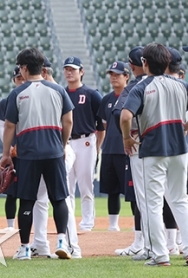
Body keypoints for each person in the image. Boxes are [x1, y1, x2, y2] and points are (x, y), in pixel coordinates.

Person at [0, 48, 74, 260]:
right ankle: (61, 241)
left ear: (23, 68)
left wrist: (6, 154)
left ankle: (24, 248)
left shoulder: (17, 93)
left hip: (28, 153)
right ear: (42, 67)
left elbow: (9, 126)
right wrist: (62, 144)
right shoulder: (58, 90)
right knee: (59, 198)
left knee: (27, 200)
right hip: (53, 151)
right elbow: (68, 120)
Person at [120, 43, 188, 266]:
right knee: (180, 200)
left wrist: (127, 138)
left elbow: (125, 116)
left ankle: (160, 255)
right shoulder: (181, 85)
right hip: (180, 150)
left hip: (153, 150)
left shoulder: (141, 87)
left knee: (153, 204)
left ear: (144, 63)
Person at [29, 58, 81, 259]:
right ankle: (40, 245)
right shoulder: (45, 91)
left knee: (61, 197)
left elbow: (68, 122)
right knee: (40, 200)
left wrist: (62, 147)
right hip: (51, 150)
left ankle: (72, 246)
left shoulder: (55, 91)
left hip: (60, 150)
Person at [112, 46, 146, 259]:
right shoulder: (177, 83)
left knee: (143, 198)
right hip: (174, 145)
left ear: (132, 66)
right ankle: (177, 243)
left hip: (140, 145)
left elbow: (119, 113)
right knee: (176, 198)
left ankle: (144, 245)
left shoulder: (135, 86)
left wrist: (127, 137)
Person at [63, 56, 104, 231]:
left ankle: (87, 222)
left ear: (81, 71)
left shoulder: (92, 94)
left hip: (86, 140)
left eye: (73, 69)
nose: (69, 72)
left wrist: (97, 147)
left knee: (86, 185)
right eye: (67, 69)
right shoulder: (61, 93)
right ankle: (69, 222)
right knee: (67, 185)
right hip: (66, 142)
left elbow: (101, 126)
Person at [97, 61, 131, 231]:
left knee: (132, 191)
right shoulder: (106, 99)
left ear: (127, 76)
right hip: (109, 149)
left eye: (117, 74)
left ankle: (136, 226)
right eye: (111, 74)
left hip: (126, 149)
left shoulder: (132, 96)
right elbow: (103, 125)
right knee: (112, 190)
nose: (113, 77)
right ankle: (113, 225)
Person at [0, 66, 24, 232]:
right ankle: (11, 226)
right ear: (14, 80)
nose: (21, 81)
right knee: (11, 190)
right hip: (12, 153)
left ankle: (29, 225)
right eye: (18, 78)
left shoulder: (31, 98)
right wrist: (9, 147)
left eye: (23, 77)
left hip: (28, 150)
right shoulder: (6, 101)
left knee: (28, 191)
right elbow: (2, 127)